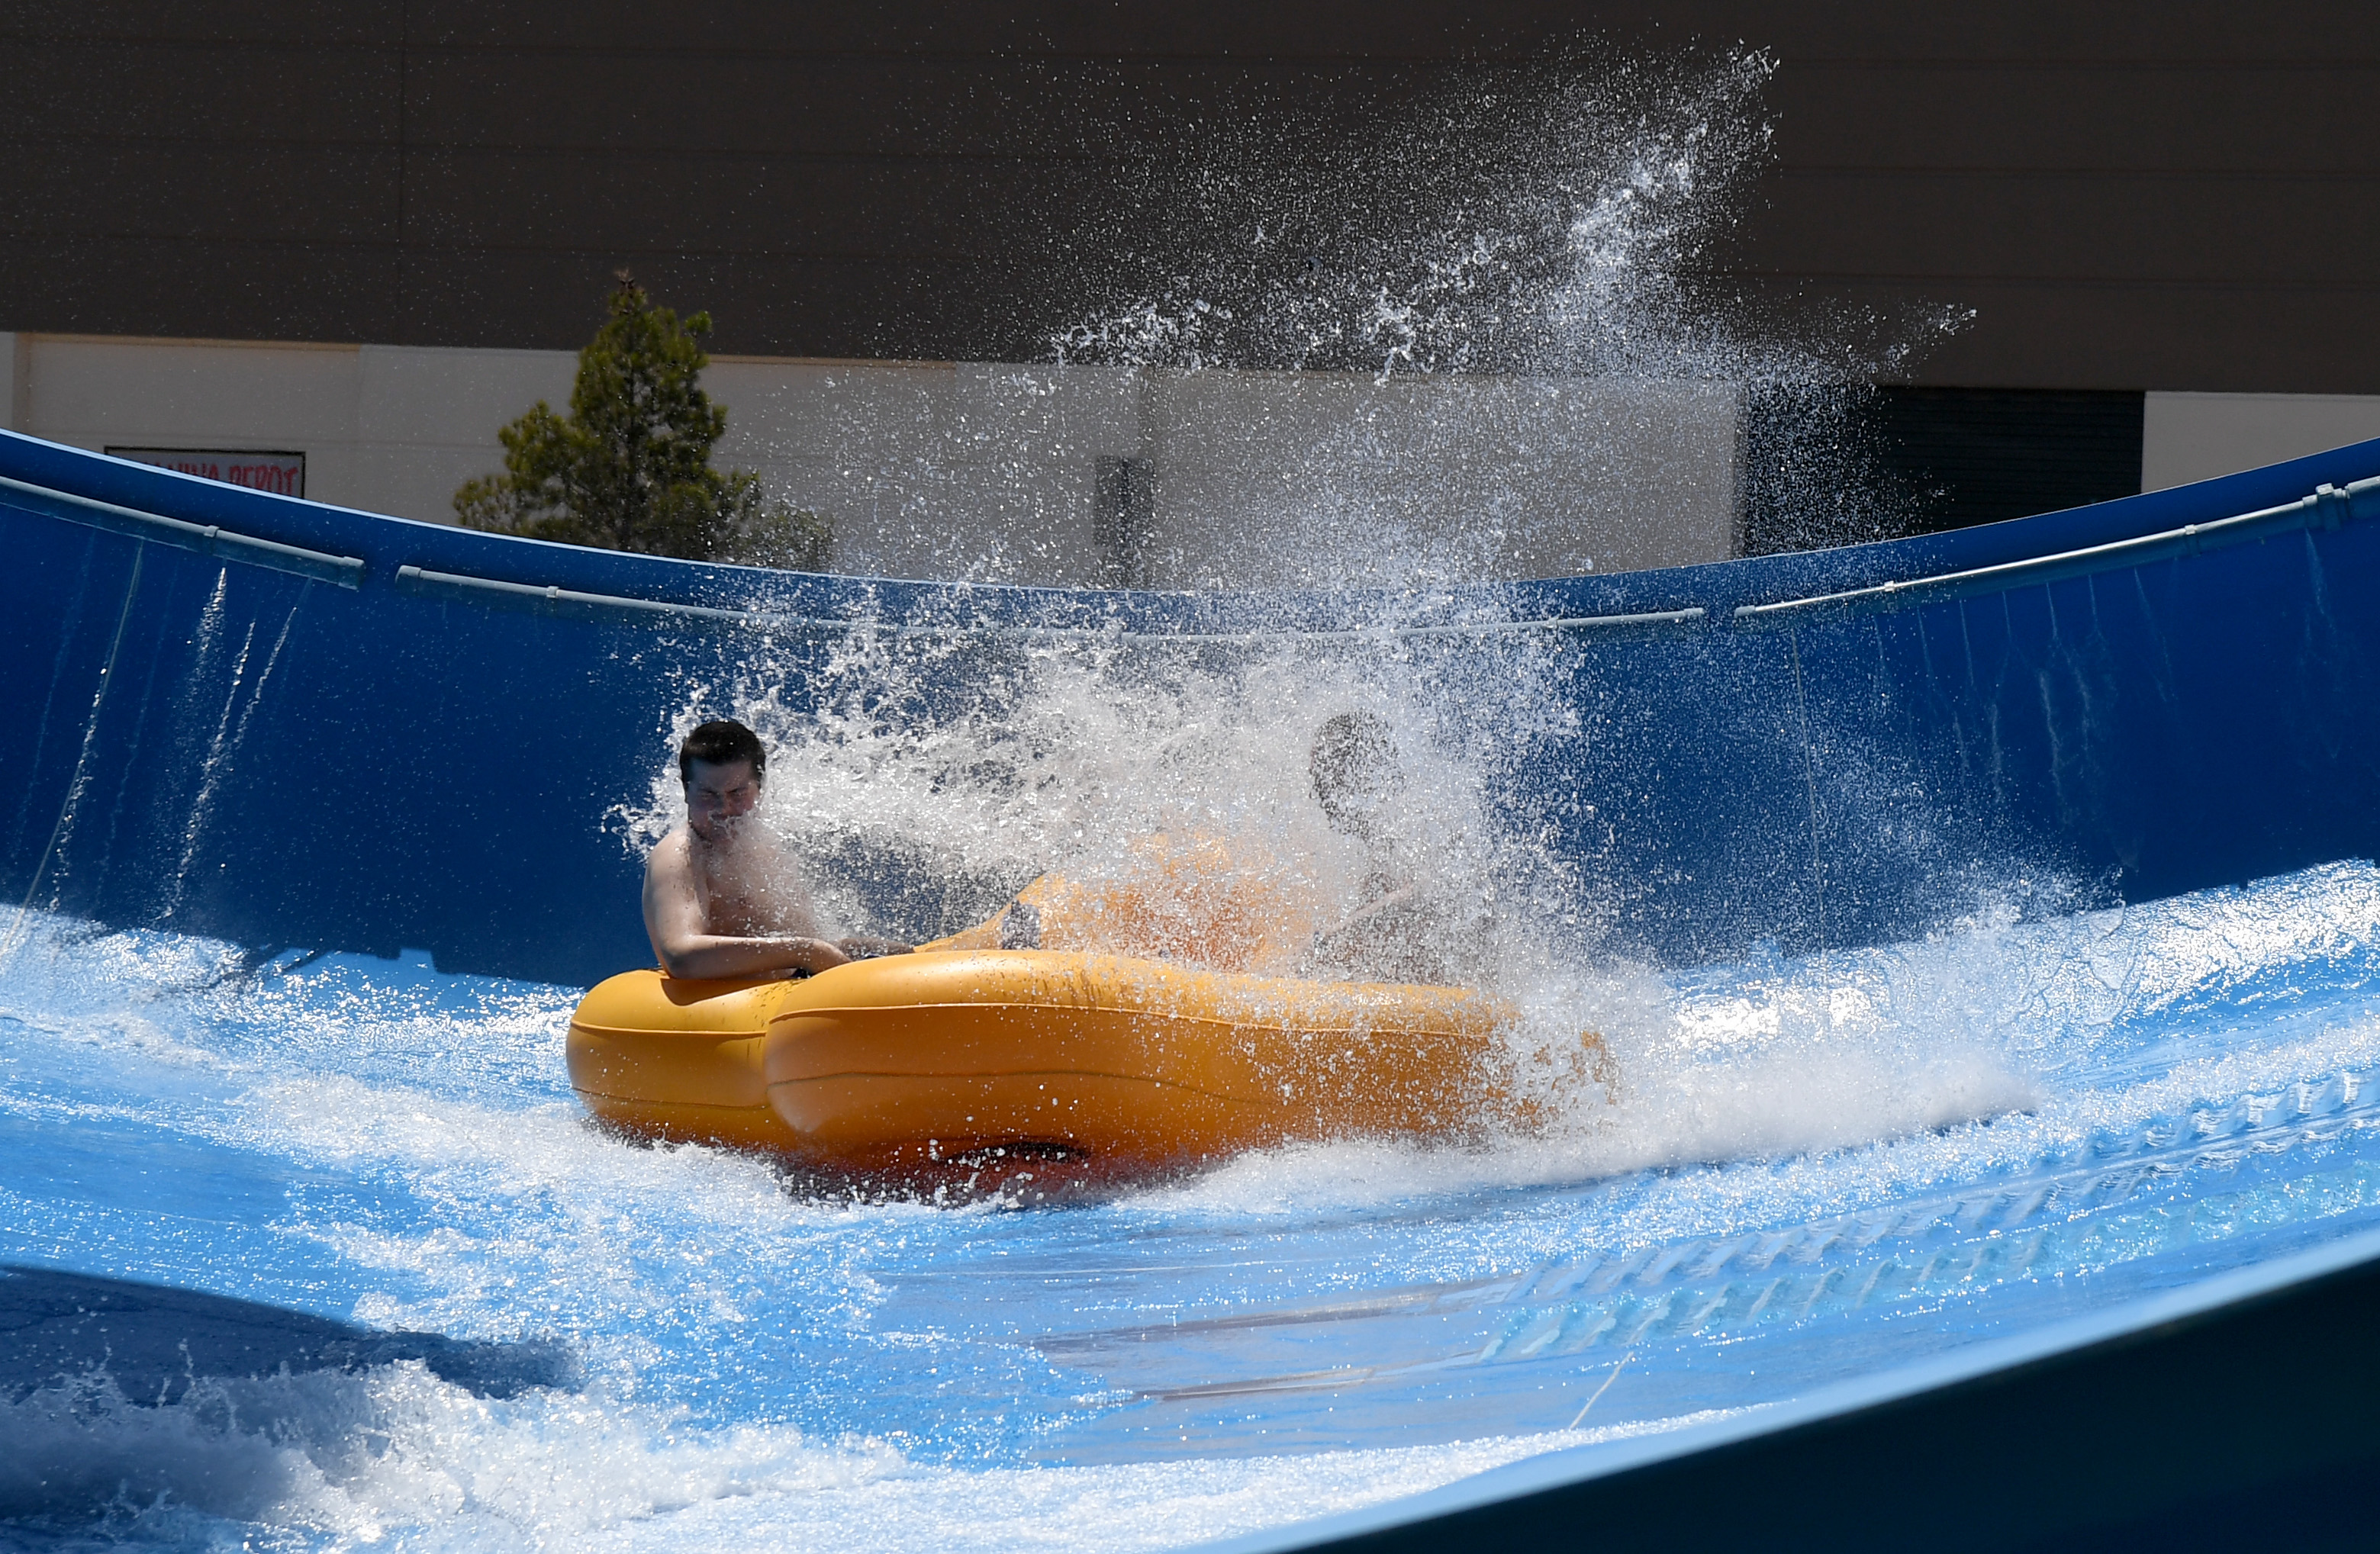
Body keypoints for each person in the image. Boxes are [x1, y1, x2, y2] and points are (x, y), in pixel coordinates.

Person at [641, 719, 912, 980]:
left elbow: (801, 941)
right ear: (686, 792)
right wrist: (806, 951)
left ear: (760, 788)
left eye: (737, 794)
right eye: (707, 796)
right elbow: (680, 956)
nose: (723, 810)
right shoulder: (682, 855)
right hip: (741, 1012)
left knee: (903, 954)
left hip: (791, 988)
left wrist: (836, 949)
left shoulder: (761, 844)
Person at [1302, 711, 1467, 985]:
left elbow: (1422, 895)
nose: (1317, 792)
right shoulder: (1380, 842)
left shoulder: (1416, 822)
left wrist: (1325, 941)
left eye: (1323, 776)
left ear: (1357, 770)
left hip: (1467, 996)